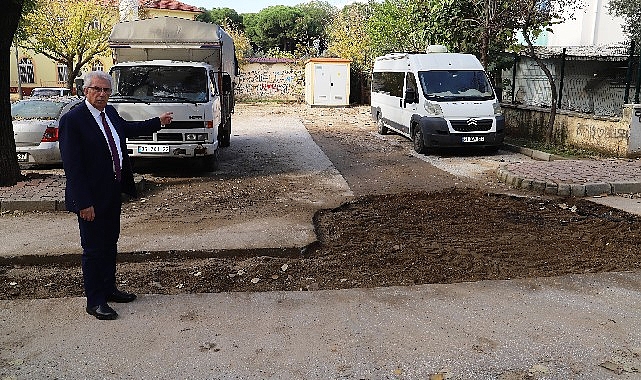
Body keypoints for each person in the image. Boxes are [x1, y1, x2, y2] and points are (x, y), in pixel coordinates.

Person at [59, 71, 173, 320]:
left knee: (110, 244)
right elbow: (73, 167)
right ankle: (95, 300)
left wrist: (158, 122)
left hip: (112, 191)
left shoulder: (109, 113)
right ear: (85, 90)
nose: (102, 94)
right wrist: (83, 202)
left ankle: (109, 289)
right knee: (93, 249)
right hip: (91, 197)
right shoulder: (73, 120)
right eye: (97, 89)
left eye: (106, 90)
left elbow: (127, 129)